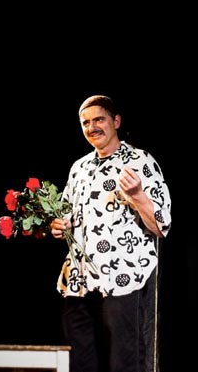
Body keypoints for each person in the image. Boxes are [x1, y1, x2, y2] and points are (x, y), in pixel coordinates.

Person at [50, 94, 172, 372]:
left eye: (99, 120)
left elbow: (160, 226)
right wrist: (59, 226)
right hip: (79, 279)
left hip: (124, 275)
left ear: (116, 121)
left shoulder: (140, 161)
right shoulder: (79, 168)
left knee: (124, 361)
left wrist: (138, 195)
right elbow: (66, 215)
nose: (92, 127)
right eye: (86, 123)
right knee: (80, 360)